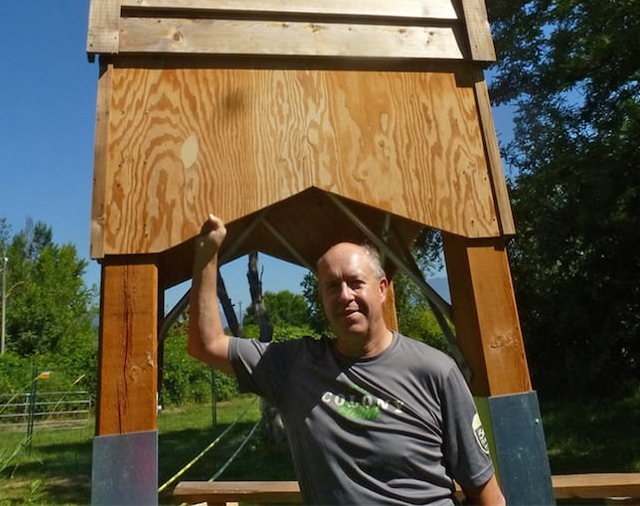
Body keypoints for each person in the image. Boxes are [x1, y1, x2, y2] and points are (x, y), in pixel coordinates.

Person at [188, 214, 505, 506]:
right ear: (322, 299)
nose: (345, 295)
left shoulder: (436, 372)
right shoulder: (293, 367)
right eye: (331, 287)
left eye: (355, 283)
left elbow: (487, 495)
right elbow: (207, 344)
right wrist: (206, 255)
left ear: (381, 289)